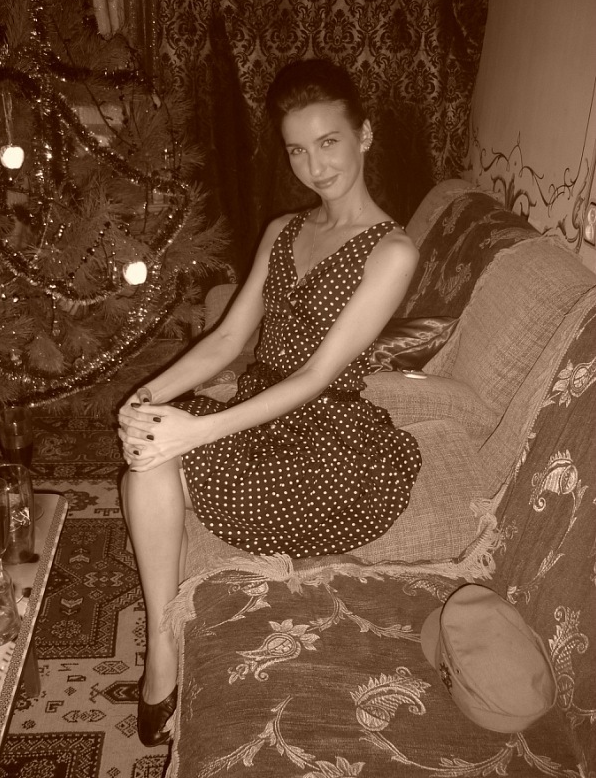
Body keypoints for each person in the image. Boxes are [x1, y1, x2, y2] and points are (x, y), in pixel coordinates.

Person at [117, 57, 422, 747]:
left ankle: (165, 651)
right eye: (297, 150)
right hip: (258, 406)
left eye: (329, 142)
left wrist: (196, 430)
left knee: (162, 455)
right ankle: (164, 642)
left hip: (327, 438)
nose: (315, 165)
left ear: (365, 135)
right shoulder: (285, 229)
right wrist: (149, 396)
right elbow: (229, 338)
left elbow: (315, 375)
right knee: (146, 456)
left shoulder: (391, 251)